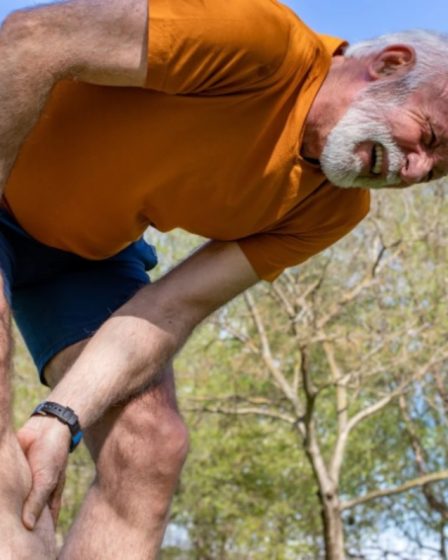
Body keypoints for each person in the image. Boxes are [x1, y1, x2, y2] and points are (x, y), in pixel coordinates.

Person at [0, 0, 447, 558]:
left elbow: (172, 308)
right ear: (388, 64)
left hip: (83, 254)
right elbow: (32, 38)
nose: (415, 169)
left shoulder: (333, 210)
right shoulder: (262, 43)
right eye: (429, 136)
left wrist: (60, 418)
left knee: (150, 447)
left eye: (435, 172)